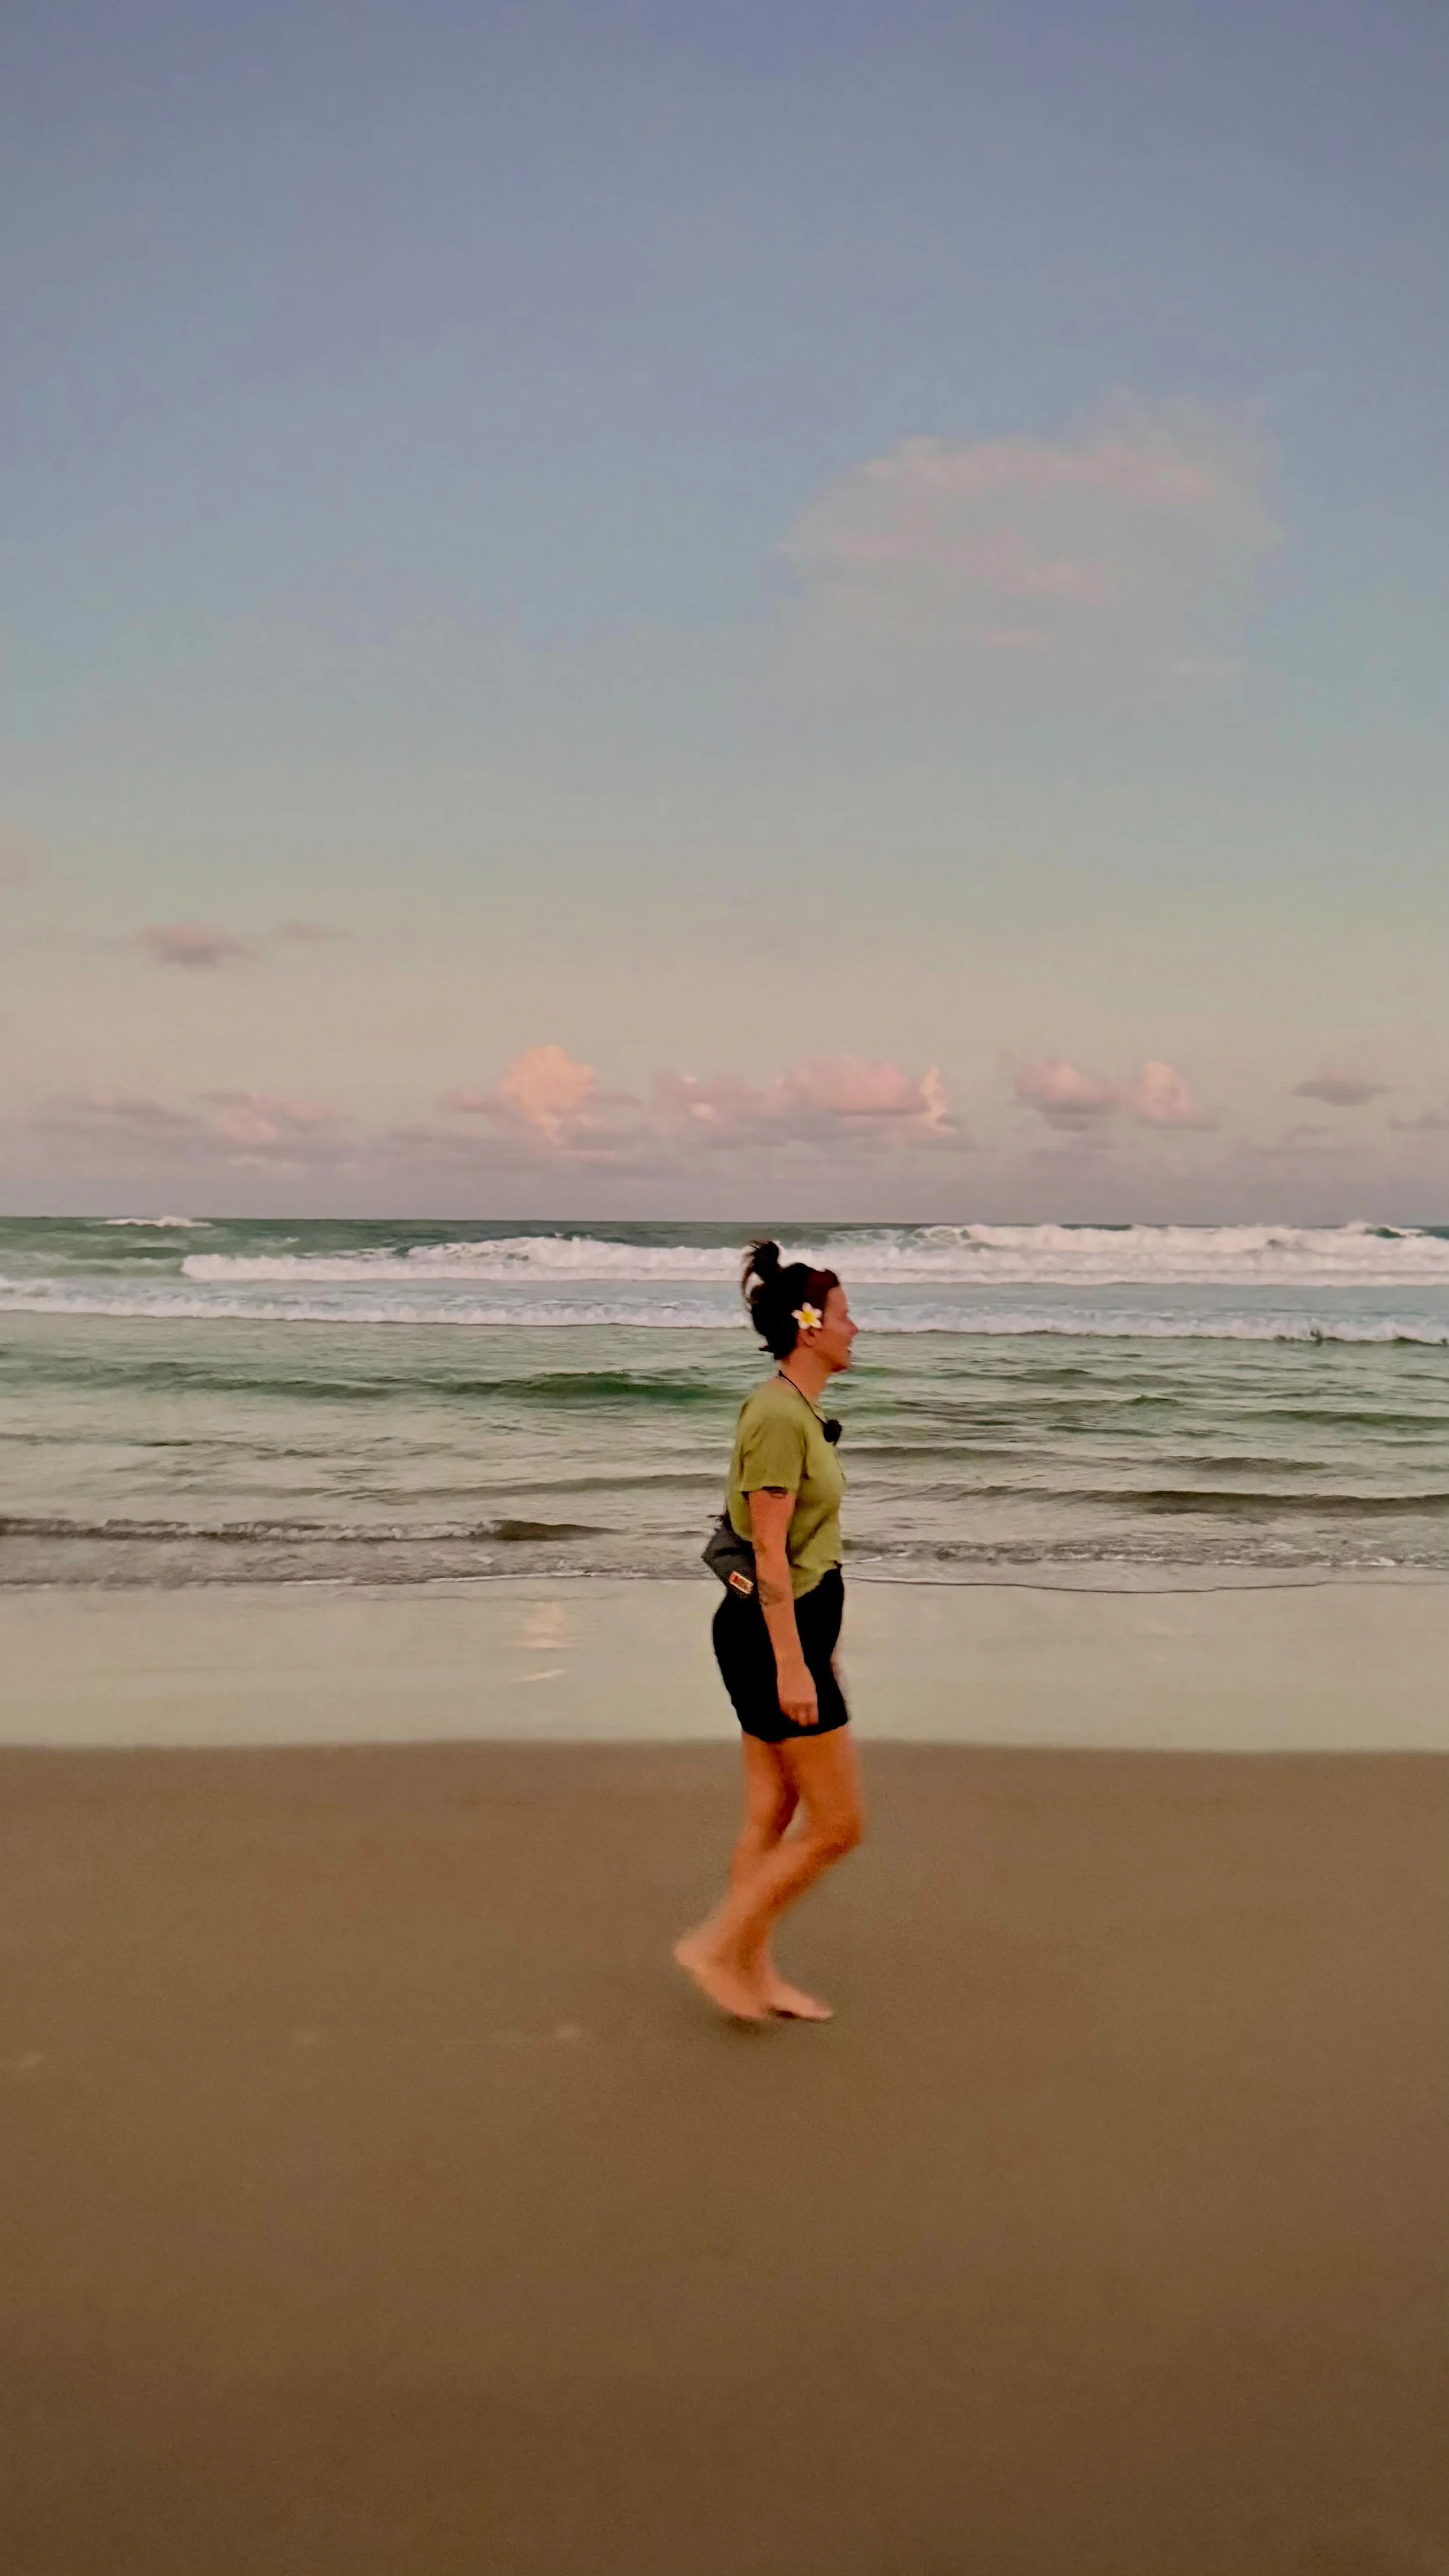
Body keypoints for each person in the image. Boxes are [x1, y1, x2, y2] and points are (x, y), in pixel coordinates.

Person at [674, 1240, 865, 2024]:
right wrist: (794, 1664)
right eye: (845, 1316)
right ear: (809, 1325)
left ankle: (751, 1974)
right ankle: (716, 1946)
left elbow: (809, 1553)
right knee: (839, 1826)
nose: (856, 1329)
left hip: (792, 1630)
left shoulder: (797, 1411)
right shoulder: (779, 1417)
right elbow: (769, 1552)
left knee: (773, 1810)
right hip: (770, 1635)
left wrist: (824, 1652)